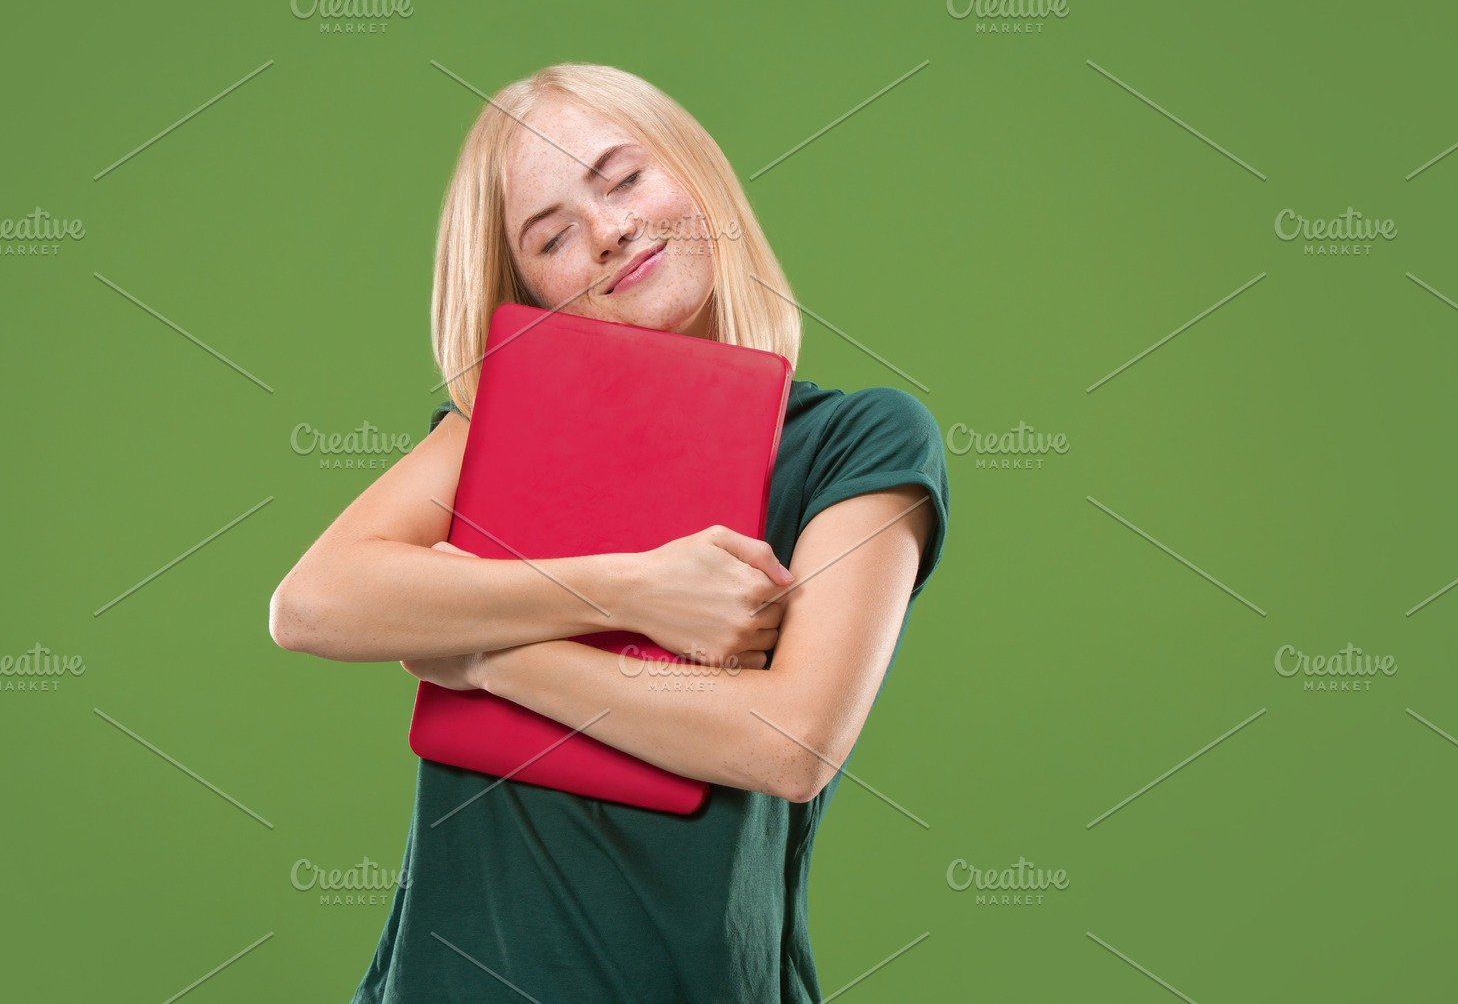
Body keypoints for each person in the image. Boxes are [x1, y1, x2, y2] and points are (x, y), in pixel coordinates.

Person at [269, 62, 951, 1003]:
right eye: (550, 236)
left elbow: (790, 743)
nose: (608, 231)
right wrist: (632, 588)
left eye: (623, 178)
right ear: (532, 292)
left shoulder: (857, 442)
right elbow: (313, 603)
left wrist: (481, 656)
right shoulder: (496, 432)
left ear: (698, 173)